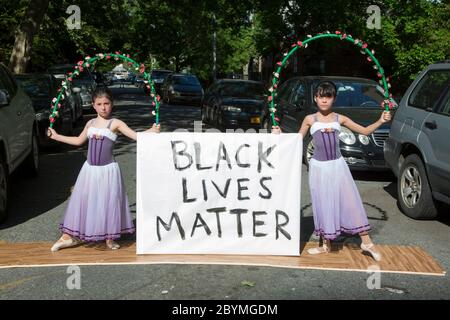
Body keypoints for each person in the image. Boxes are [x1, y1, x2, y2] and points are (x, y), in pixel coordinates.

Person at [272, 81, 391, 261]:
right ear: (315, 98)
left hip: (338, 166)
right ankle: (325, 244)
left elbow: (365, 131)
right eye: (321, 96)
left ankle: (366, 242)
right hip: (319, 168)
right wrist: (279, 135)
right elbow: (296, 140)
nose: (324, 100)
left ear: (333, 98)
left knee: (350, 201)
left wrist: (381, 120)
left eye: (328, 96)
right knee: (322, 203)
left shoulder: (340, 118)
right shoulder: (310, 119)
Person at [48, 87, 160, 251]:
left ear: (112, 104)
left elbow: (136, 136)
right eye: (99, 104)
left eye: (106, 103)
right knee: (83, 200)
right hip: (89, 170)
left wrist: (151, 131)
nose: (103, 107)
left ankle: (110, 236)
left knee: (108, 202)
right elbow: (78, 141)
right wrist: (56, 136)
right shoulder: (90, 123)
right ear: (93, 105)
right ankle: (68, 236)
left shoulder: (115, 123)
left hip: (108, 170)